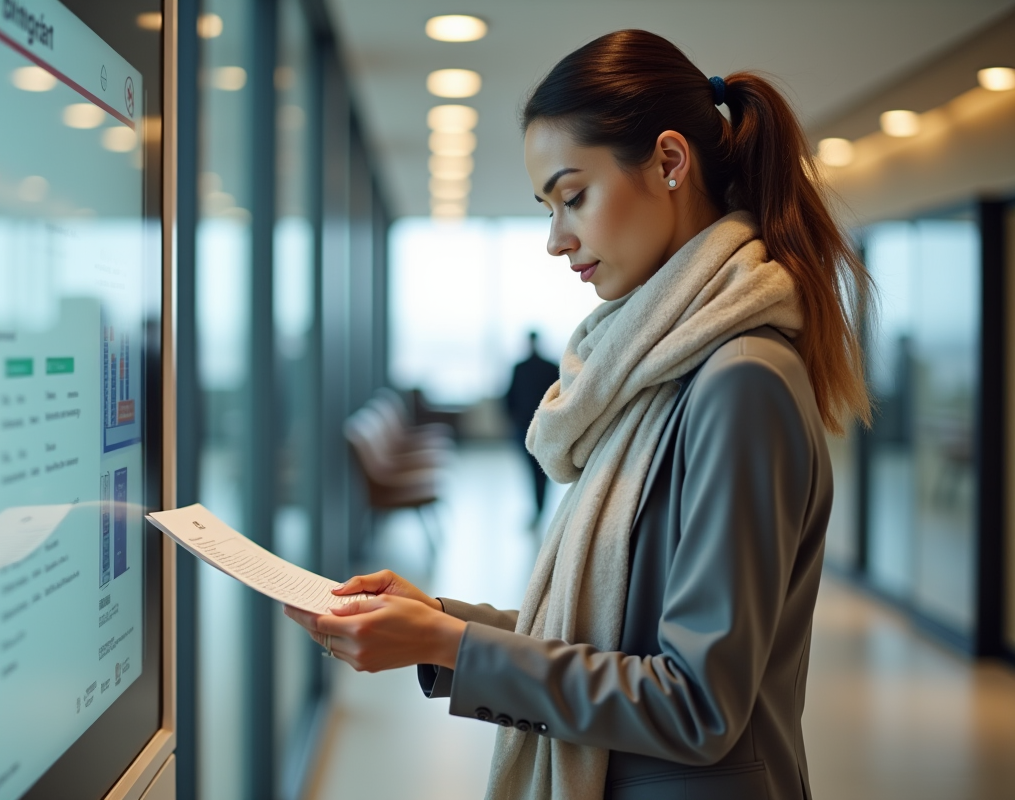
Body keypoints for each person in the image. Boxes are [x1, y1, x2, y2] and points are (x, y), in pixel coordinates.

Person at [284, 28, 871, 800]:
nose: (557, 241)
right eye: (547, 207)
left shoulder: (739, 379)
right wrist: (436, 621)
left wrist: (451, 643)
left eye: (573, 197)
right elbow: (610, 632)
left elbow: (697, 703)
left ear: (669, 162)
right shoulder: (658, 370)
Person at [505, 331, 559, 524]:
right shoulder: (551, 367)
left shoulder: (520, 368)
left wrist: (512, 419)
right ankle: (540, 509)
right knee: (542, 470)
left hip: (524, 427)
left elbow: (508, 397)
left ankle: (538, 510)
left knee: (532, 471)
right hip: (544, 425)